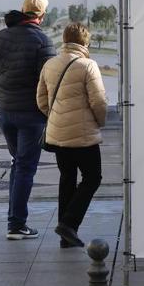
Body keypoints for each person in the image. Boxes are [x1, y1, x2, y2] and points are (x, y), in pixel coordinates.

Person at [0, 0, 55, 240]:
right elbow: (49, 81)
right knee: (25, 167)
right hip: (32, 115)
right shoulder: (42, 41)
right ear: (42, 15)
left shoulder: (1, 37)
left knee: (19, 164)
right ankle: (16, 225)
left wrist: (3, 95)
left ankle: (15, 220)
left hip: (7, 113)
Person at [37, 22, 107, 248]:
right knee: (93, 177)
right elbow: (98, 101)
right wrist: (100, 122)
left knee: (67, 179)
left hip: (58, 136)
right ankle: (69, 223)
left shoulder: (50, 64)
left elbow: (41, 100)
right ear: (85, 41)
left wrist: (56, 117)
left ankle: (65, 237)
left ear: (65, 40)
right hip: (84, 135)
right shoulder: (88, 65)